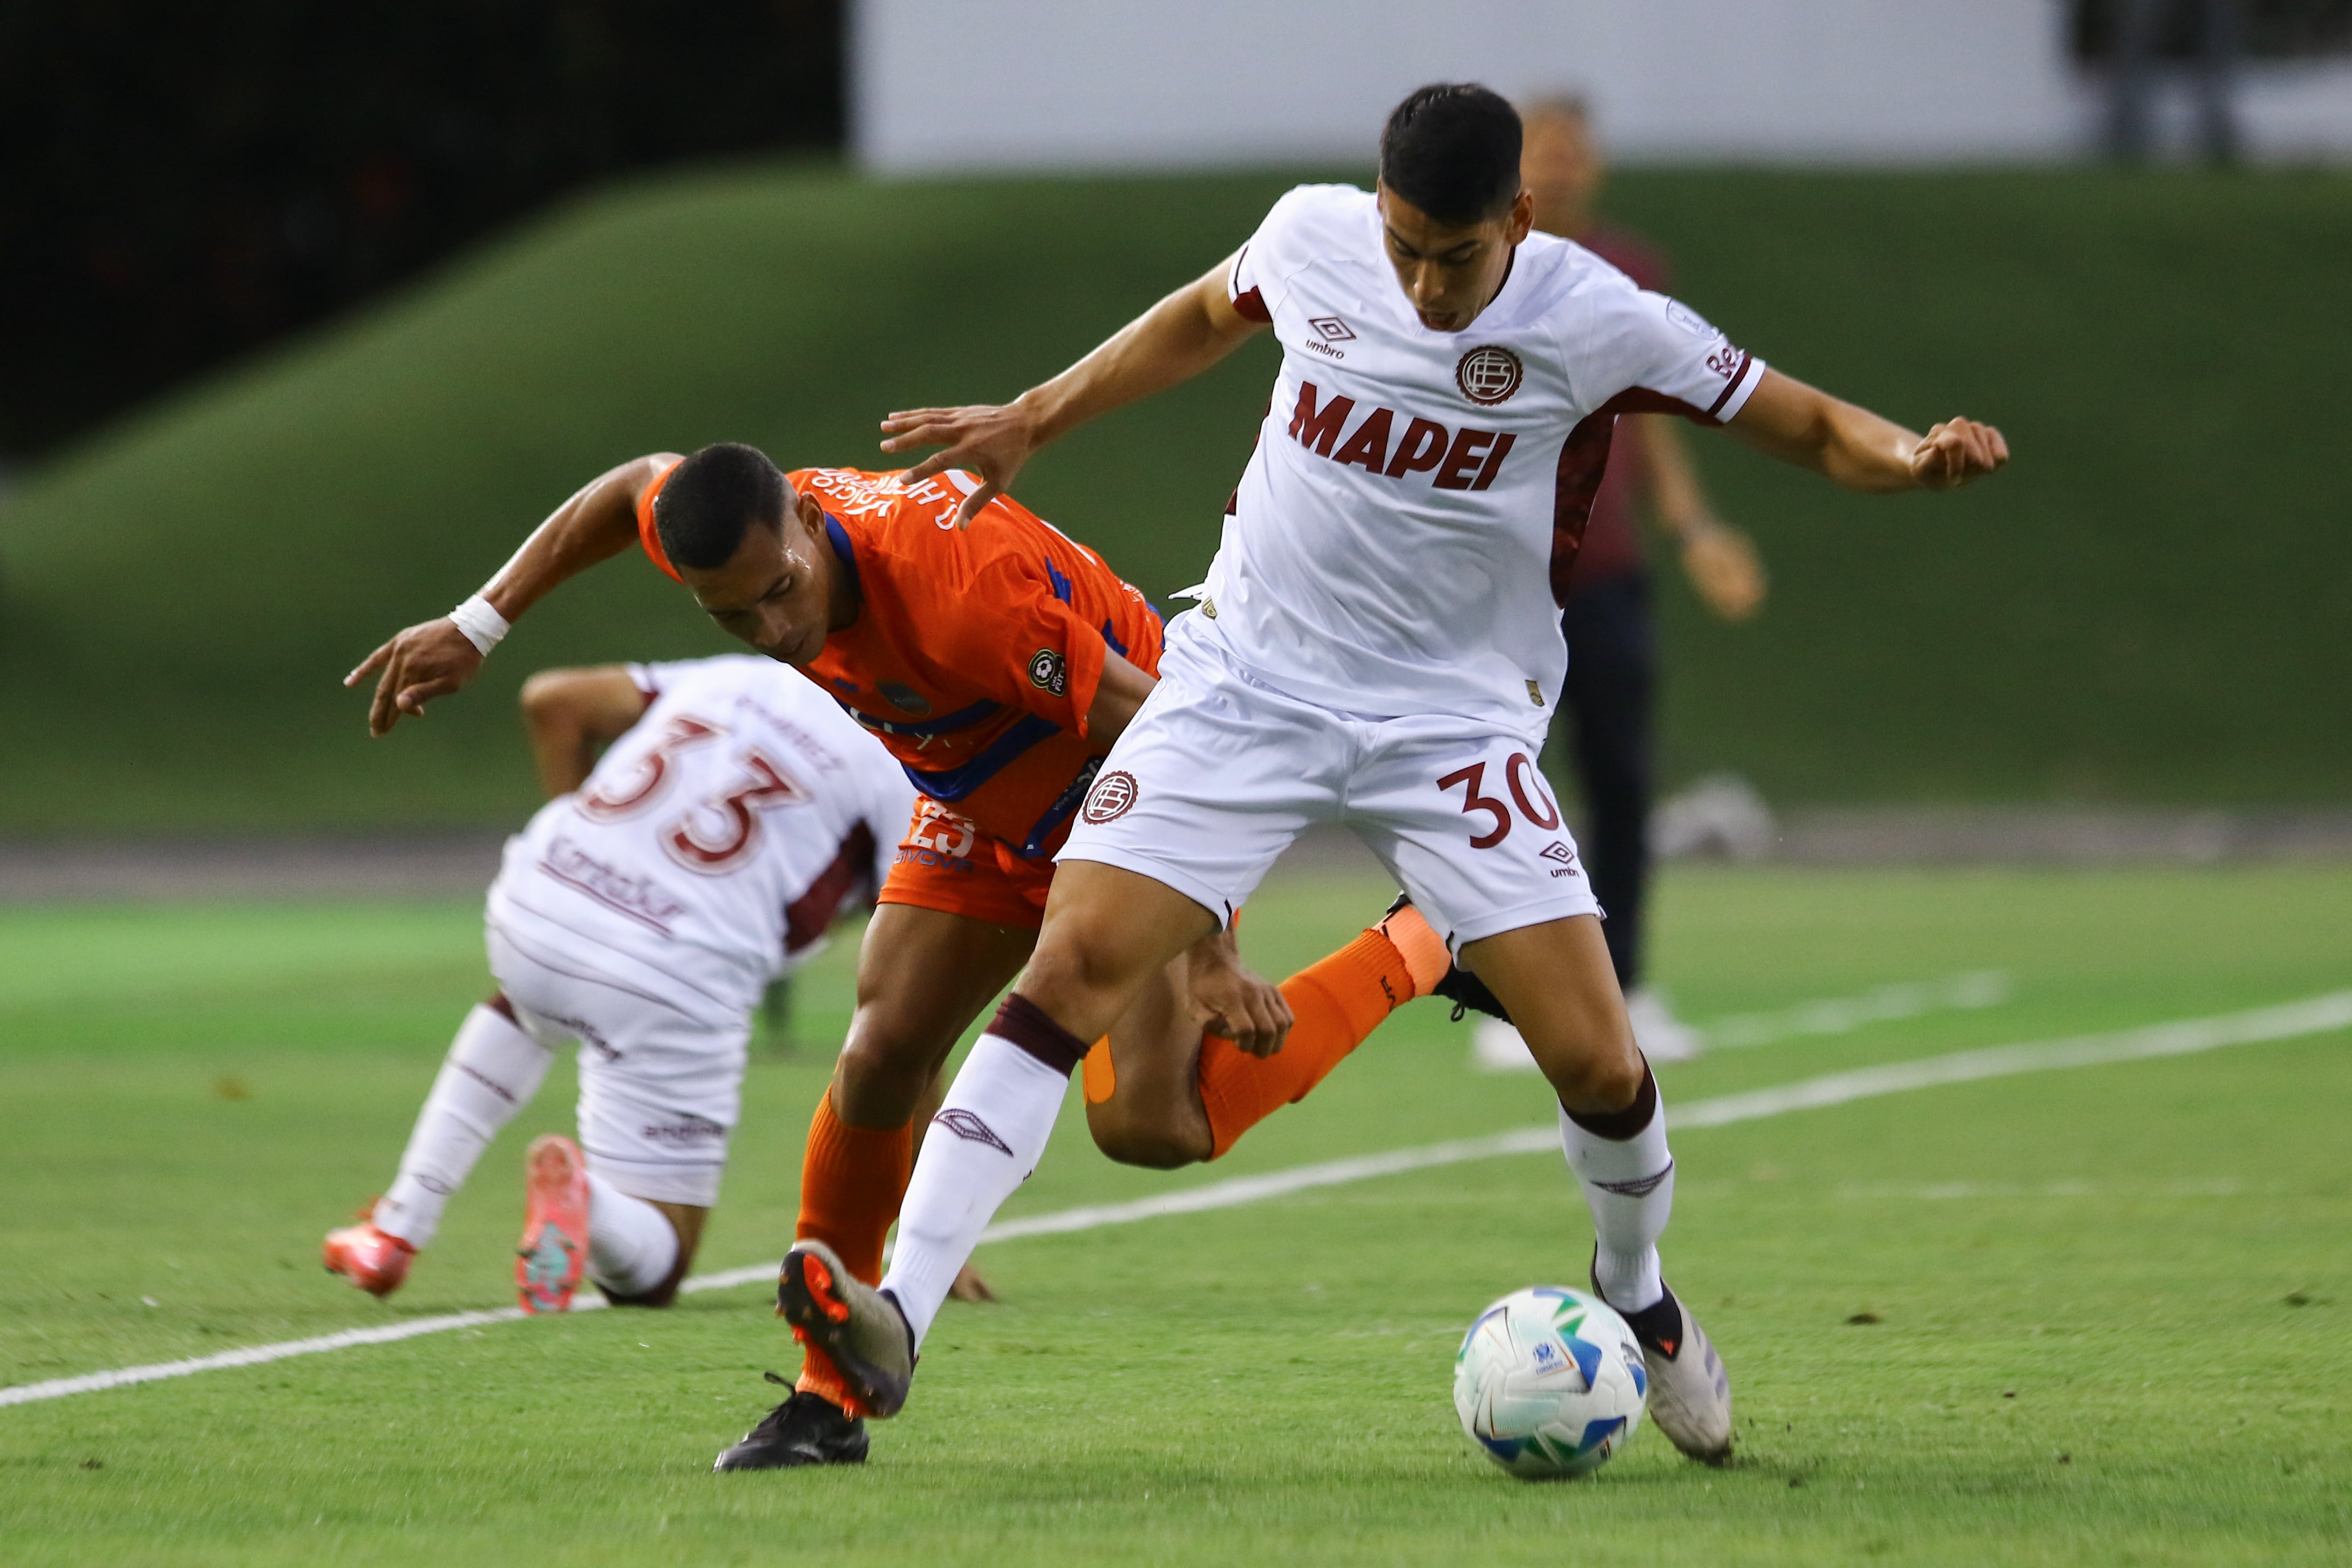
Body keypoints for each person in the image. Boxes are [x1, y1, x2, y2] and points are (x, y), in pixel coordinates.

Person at [781, 82, 2008, 1467]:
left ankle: (1637, 1292)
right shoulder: (1312, 236)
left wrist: (1913, 457)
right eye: (1405, 247)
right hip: (1243, 683)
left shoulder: (1593, 314)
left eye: (1456, 257)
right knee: (1068, 972)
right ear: (1375, 209)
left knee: (1599, 1063)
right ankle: (896, 1317)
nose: (1424, 284)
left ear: (1519, 220)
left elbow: (1809, 424)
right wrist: (1036, 415)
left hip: (1451, 726)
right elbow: (1200, 316)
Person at [345, 446, 1456, 1470]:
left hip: (1123, 787)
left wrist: (1209, 942)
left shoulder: (956, 589)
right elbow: (631, 483)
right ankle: (825, 1395)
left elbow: (1168, 733)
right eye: (735, 615)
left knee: (1153, 1126)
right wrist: (479, 623)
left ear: (805, 520)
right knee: (879, 1053)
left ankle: (1420, 944)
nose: (774, 628)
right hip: (973, 792)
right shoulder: (737, 533)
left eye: (782, 591)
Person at [324, 652, 913, 1317]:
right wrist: (921, 1240)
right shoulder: (901, 768)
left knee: (525, 1006)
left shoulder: (743, 675)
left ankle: (396, 1226)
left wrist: (593, 860)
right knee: (653, 1268)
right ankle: (585, 1200)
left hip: (536, 901)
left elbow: (553, 699)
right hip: (676, 969)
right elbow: (905, 1017)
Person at [1517, 96, 1770, 1061]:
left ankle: (1622, 986)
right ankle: (1509, 999)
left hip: (1604, 572)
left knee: (1619, 782)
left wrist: (1696, 530)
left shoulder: (1627, 272)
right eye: (1544, 152)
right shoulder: (1475, 268)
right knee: (1494, 789)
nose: (1561, 169)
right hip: (1502, 583)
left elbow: (1652, 419)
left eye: (1574, 153)